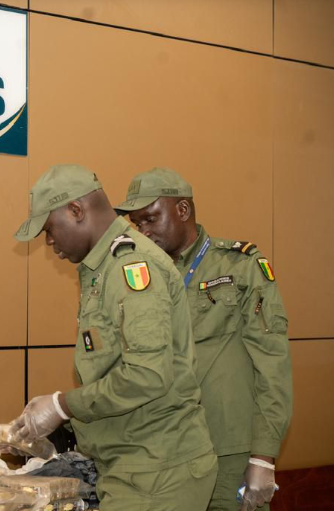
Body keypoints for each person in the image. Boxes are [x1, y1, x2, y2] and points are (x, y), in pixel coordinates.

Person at [11, 164, 217, 511]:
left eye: (49, 228)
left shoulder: (131, 267)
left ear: (75, 211)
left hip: (156, 473)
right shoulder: (102, 268)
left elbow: (147, 374)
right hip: (133, 468)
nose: (48, 242)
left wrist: (61, 406)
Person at [115, 168, 292, 511]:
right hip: (166, 451)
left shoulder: (240, 267)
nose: (144, 232)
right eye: (138, 224)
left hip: (227, 448)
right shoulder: (143, 276)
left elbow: (273, 365)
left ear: (182, 211)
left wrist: (264, 456)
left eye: (151, 218)